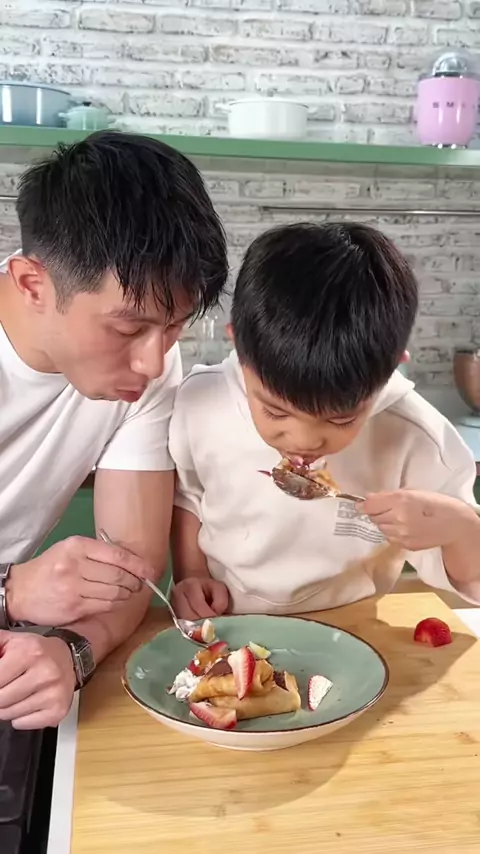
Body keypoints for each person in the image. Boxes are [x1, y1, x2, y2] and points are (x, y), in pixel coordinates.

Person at [0, 130, 228, 729]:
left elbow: (132, 571)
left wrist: (72, 650)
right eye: (128, 329)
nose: (153, 363)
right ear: (32, 284)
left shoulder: (148, 369)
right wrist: (11, 591)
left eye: (174, 327)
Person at [169, 222, 480, 620]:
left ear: (391, 369)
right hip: (227, 620)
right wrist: (192, 574)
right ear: (240, 347)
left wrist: (460, 528)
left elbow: (471, 576)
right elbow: (188, 496)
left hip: (353, 625)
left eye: (340, 419)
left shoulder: (415, 435)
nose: (304, 440)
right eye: (276, 411)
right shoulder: (202, 403)